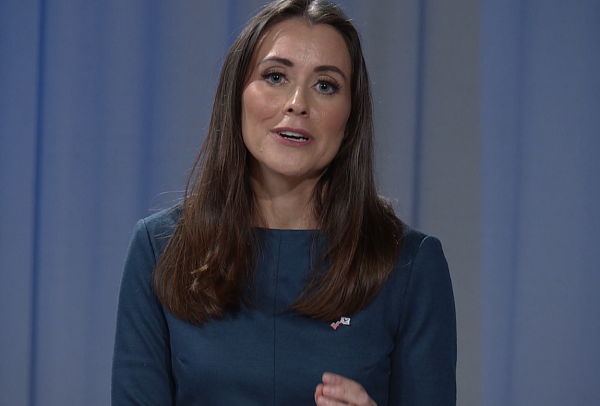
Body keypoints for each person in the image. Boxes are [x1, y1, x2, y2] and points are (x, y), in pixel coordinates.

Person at [111, 0, 456, 405]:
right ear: (236, 95)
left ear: (350, 115)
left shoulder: (411, 265)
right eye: (275, 76)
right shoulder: (159, 249)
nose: (297, 103)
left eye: (325, 85)